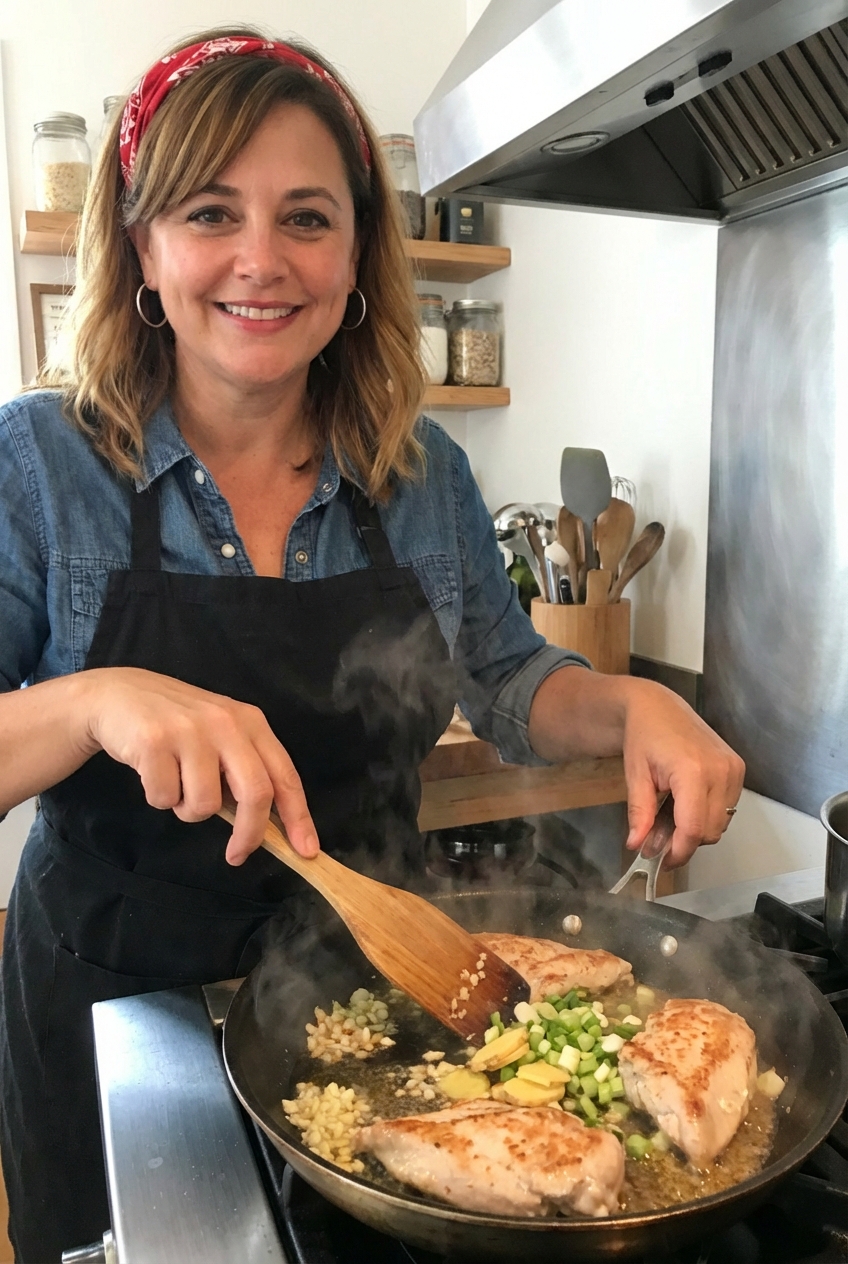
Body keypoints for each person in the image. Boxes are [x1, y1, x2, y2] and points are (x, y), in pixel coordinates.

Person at [0, 28, 744, 1260]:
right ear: (141, 246)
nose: (260, 260)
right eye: (209, 213)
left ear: (355, 255)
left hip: (376, 991)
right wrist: (93, 700)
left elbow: (508, 677)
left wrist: (630, 708)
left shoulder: (419, 472)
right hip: (116, 1008)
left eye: (306, 217)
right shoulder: (40, 463)